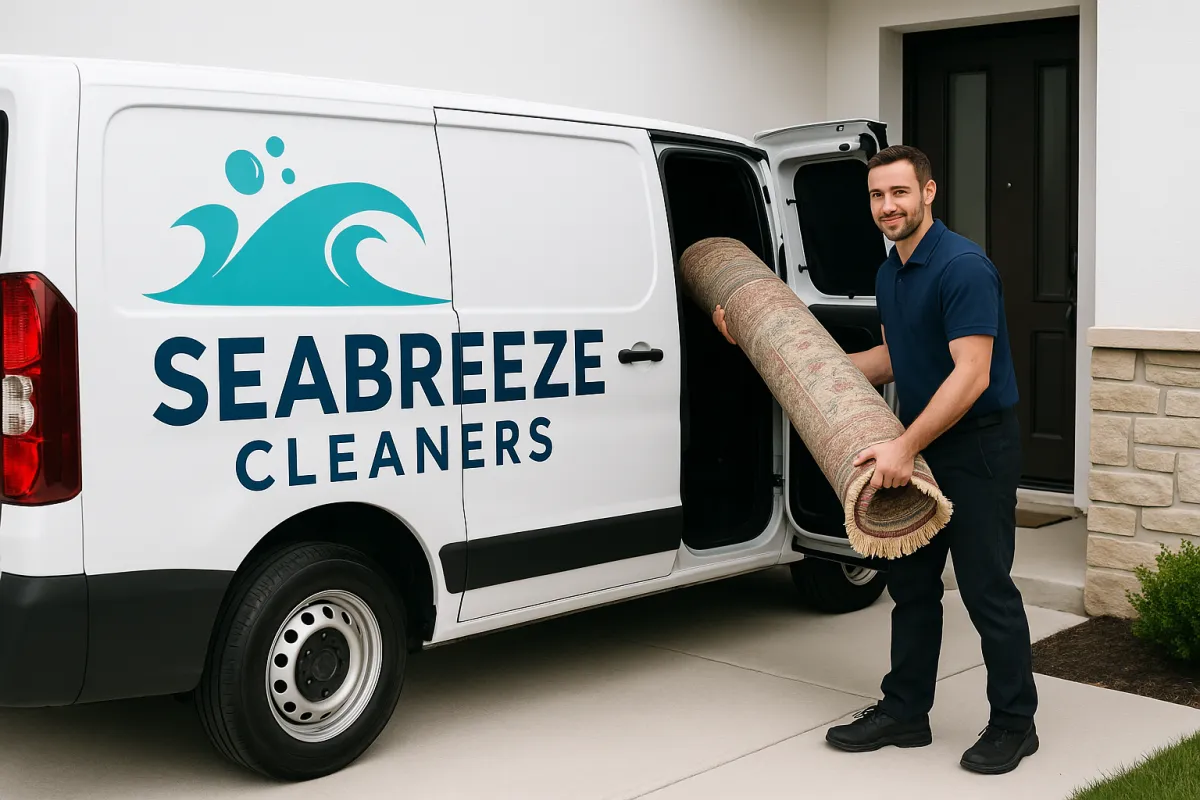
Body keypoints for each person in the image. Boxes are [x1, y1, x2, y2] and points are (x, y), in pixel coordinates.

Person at [711, 144, 1038, 775]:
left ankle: (1014, 724)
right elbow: (890, 362)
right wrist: (770, 353)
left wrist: (903, 445)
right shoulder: (890, 271)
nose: (887, 207)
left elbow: (970, 377)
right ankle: (905, 712)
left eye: (899, 194)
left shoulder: (963, 267)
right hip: (919, 440)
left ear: (929, 193)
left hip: (978, 447)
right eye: (877, 197)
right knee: (912, 587)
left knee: (985, 588)